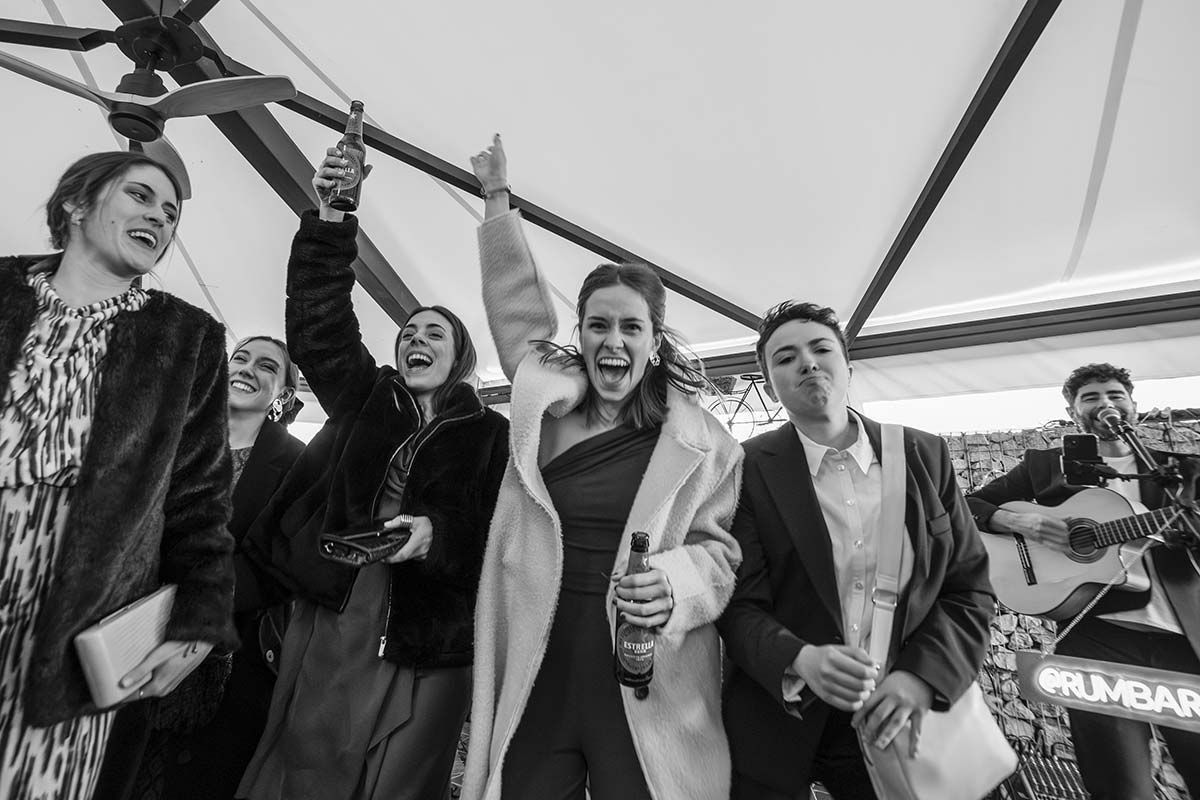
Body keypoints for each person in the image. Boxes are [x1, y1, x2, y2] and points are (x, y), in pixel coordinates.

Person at [461, 135, 743, 800]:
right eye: (596, 325)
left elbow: (719, 556)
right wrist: (496, 199)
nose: (611, 341)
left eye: (630, 328)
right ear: (580, 334)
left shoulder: (707, 444)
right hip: (540, 666)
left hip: (648, 675)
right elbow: (516, 310)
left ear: (654, 340)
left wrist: (673, 586)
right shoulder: (546, 407)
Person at [234, 146, 510, 800]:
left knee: (398, 779)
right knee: (307, 758)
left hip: (429, 627)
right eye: (410, 331)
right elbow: (320, 323)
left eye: (435, 334)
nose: (417, 338)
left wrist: (434, 533)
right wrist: (331, 217)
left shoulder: (489, 434)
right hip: (340, 605)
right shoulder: (368, 398)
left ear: (461, 357)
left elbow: (494, 537)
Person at [0, 151, 238, 799]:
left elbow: (200, 499)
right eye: (140, 196)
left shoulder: (187, 338)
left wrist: (198, 622)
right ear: (76, 204)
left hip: (75, 616)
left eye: (170, 213)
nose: (159, 218)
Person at [717, 301, 995, 799]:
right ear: (770, 381)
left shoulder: (923, 455)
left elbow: (967, 587)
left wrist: (919, 678)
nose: (806, 363)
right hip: (784, 714)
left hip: (903, 713)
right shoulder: (746, 467)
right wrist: (798, 658)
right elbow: (738, 604)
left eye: (821, 348)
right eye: (785, 358)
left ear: (849, 365)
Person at [967, 362, 1200, 800]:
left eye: (1115, 395)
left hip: (1186, 638)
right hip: (1097, 637)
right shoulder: (1047, 467)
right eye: (1090, 398)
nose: (1105, 404)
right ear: (1074, 413)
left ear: (1134, 406)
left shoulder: (1182, 473)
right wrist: (1021, 521)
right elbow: (967, 505)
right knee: (1118, 784)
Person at [94, 336, 307, 800]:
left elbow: (279, 566)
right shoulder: (173, 438)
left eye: (266, 366)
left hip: (225, 660)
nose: (248, 368)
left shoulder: (297, 465)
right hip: (129, 636)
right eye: (241, 358)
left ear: (284, 396)